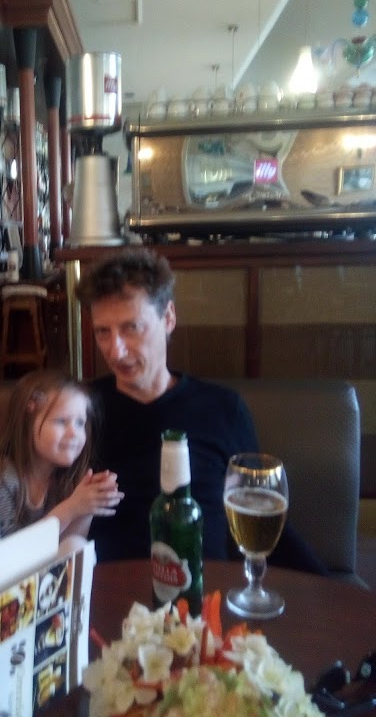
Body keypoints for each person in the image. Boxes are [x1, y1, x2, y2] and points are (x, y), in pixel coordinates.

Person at [75, 246, 327, 574]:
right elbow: (37, 501)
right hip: (107, 590)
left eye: (131, 328)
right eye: (102, 332)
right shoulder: (79, 410)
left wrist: (327, 591)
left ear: (168, 318)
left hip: (206, 593)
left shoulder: (222, 409)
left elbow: (260, 512)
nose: (115, 351)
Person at [0, 369, 124, 570]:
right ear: (28, 424)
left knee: (77, 546)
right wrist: (71, 507)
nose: (74, 433)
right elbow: (7, 553)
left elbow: (67, 545)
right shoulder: (3, 474)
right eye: (61, 421)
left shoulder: (73, 480)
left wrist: (88, 507)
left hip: (33, 580)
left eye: (80, 423)